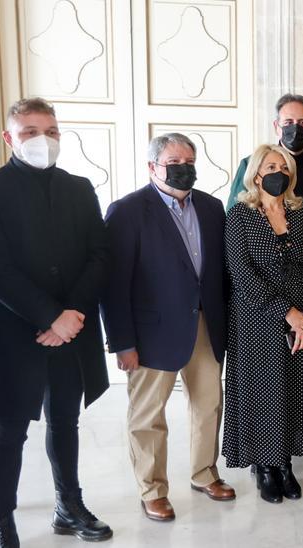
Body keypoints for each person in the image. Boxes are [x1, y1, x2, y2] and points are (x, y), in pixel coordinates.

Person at [0, 97, 112, 545]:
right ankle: (3, 518)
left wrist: (72, 315)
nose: (42, 139)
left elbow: (99, 256)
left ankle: (69, 505)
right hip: (16, 331)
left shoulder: (80, 186)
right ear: (10, 138)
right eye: (30, 131)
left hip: (73, 330)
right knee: (6, 431)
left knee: (65, 422)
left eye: (50, 130)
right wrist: (51, 316)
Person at [102, 133, 234, 522]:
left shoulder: (211, 208)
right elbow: (114, 285)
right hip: (150, 333)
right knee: (148, 416)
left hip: (205, 326)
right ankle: (152, 489)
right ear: (151, 168)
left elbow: (219, 274)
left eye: (189, 161)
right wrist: (122, 342)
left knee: (209, 404)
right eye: (174, 163)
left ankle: (204, 473)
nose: (184, 169)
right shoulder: (126, 211)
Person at [228, 93, 303, 471]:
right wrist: (284, 310)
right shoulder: (250, 173)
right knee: (269, 383)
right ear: (277, 126)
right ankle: (269, 460)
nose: (296, 129)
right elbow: (239, 251)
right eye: (288, 122)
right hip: (263, 304)